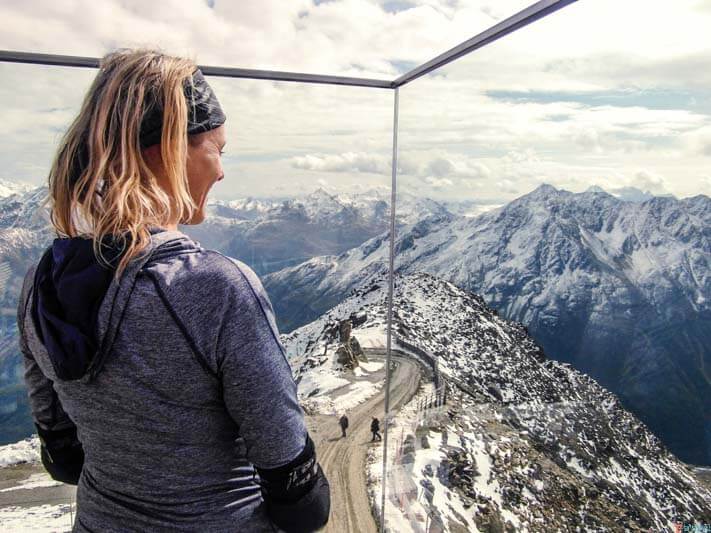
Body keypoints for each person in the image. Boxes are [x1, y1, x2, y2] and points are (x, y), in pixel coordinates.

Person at [17, 49, 330, 533]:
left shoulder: (41, 281)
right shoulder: (214, 285)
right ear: (168, 148)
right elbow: (298, 493)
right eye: (217, 149)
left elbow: (62, 458)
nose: (222, 171)